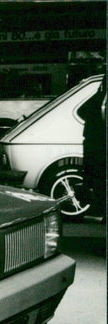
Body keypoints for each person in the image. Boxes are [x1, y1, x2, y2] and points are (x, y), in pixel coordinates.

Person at [77, 74, 106, 221]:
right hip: (99, 142)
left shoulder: (98, 97)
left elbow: (81, 111)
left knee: (95, 177)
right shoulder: (102, 100)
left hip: (91, 141)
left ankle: (98, 209)